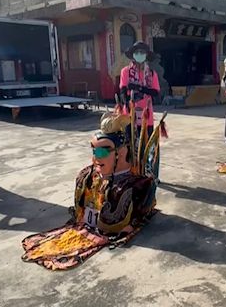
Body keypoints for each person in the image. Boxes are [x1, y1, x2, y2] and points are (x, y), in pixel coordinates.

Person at [21, 108, 166, 270]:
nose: (95, 157)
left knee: (118, 192)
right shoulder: (88, 176)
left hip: (114, 216)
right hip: (90, 223)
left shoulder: (137, 185)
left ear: (122, 151)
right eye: (93, 149)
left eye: (102, 151)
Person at [119, 41, 160, 137]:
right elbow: (122, 90)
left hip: (146, 112)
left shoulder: (152, 74)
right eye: (137, 53)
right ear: (133, 55)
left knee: (146, 142)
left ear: (146, 56)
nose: (139, 55)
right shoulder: (126, 71)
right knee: (130, 143)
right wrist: (127, 103)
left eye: (142, 52)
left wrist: (139, 88)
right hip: (130, 112)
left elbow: (155, 92)